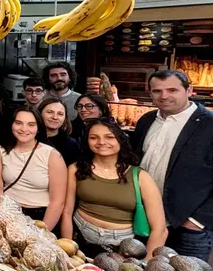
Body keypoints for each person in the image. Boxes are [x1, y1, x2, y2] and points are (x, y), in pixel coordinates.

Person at [132, 70, 213, 261]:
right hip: (145, 219)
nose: (164, 96)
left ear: (189, 90)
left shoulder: (209, 125)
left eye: (172, 90)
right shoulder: (147, 120)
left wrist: (197, 220)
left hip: (187, 227)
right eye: (157, 91)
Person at [61, 119, 167, 257]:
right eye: (94, 138)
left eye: (109, 137)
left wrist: (146, 264)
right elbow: (67, 213)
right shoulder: (76, 169)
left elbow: (159, 229)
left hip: (124, 245)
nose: (101, 142)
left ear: (120, 140)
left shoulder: (140, 177)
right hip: (80, 234)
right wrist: (67, 250)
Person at [1, 106, 67, 231]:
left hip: (39, 216)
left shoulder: (52, 155)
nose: (24, 129)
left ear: (38, 128)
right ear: (11, 125)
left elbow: (57, 202)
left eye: (31, 124)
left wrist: (42, 232)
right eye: (18, 123)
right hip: (8, 213)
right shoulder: (1, 151)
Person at [38, 97, 80, 166]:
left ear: (65, 118)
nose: (55, 117)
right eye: (49, 112)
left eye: (60, 114)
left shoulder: (71, 144)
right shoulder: (30, 139)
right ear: (39, 113)